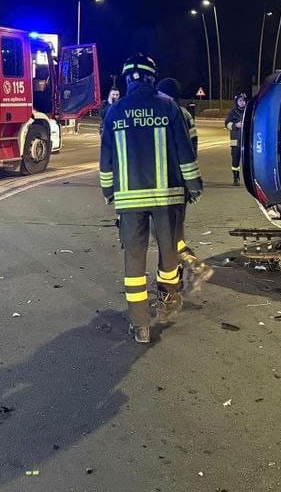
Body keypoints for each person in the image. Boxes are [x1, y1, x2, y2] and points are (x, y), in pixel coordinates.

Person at [100, 54, 203, 344]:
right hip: (166, 199)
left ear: (126, 79)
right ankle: (168, 299)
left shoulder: (114, 112)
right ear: (151, 77)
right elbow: (185, 153)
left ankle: (140, 325)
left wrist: (109, 191)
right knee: (169, 253)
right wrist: (193, 186)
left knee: (133, 260)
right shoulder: (168, 107)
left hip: (129, 202)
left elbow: (106, 160)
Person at [156, 77, 212, 288]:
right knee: (174, 233)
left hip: (165, 185)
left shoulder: (166, 113)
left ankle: (188, 270)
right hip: (181, 185)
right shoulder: (185, 114)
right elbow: (192, 152)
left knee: (166, 236)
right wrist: (191, 184)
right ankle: (182, 272)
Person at [225, 92, 248, 186]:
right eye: (240, 100)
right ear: (236, 102)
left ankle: (248, 180)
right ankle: (236, 178)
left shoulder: (248, 111)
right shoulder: (233, 112)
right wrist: (236, 125)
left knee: (247, 162)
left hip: (246, 140)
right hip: (236, 141)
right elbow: (227, 124)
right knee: (235, 161)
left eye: (244, 100)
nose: (243, 102)